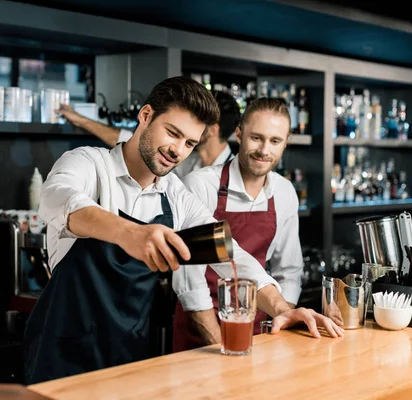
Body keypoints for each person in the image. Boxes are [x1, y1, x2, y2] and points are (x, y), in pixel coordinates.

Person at [23, 77, 343, 385]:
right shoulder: (89, 164)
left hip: (131, 353)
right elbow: (57, 199)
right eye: (173, 133)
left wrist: (285, 309)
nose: (178, 150)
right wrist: (129, 233)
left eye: (190, 142)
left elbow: (231, 256)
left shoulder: (175, 196)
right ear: (146, 115)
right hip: (62, 351)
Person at [172, 97, 311, 352]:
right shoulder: (200, 185)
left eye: (275, 141)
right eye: (256, 138)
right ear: (239, 133)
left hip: (258, 331)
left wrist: (282, 318)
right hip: (201, 329)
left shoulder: (284, 191)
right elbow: (189, 281)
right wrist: (222, 343)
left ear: (285, 143)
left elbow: (289, 271)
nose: (264, 150)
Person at [56, 89, 241, 178]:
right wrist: (81, 120)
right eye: (173, 132)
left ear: (213, 130)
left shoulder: (231, 176)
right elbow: (139, 142)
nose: (177, 150)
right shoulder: (189, 162)